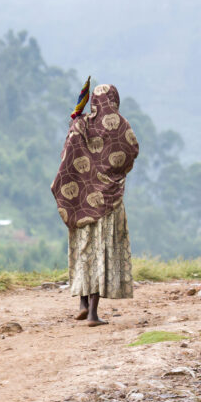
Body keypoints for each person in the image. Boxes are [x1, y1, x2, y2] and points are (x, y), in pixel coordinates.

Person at [51, 81, 140, 327]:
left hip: (81, 202)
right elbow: (132, 151)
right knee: (102, 253)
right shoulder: (122, 127)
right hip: (109, 203)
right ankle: (92, 313)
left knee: (83, 251)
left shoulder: (82, 125)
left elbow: (67, 156)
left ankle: (81, 304)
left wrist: (73, 126)